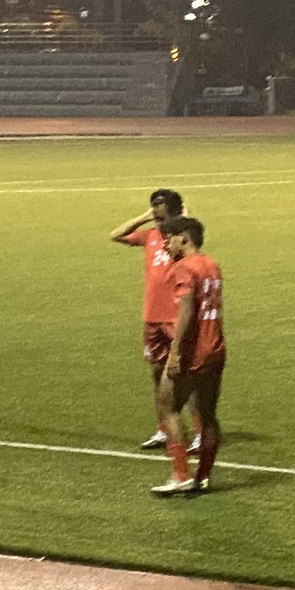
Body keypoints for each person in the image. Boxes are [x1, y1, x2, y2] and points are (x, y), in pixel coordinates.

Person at [109, 188, 201, 452]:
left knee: (187, 375)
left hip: (175, 318)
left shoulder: (180, 242)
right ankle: (164, 429)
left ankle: (198, 431)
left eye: (162, 214)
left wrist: (183, 218)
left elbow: (192, 237)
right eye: (155, 214)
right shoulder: (149, 236)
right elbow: (116, 235)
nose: (159, 221)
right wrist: (145, 217)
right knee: (157, 374)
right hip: (152, 317)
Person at [151, 217, 225, 497]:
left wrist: (176, 351)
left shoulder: (184, 268)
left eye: (170, 238)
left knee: (168, 407)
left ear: (184, 238)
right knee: (207, 416)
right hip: (215, 348)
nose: (166, 243)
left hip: (193, 351)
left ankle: (180, 474)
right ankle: (203, 477)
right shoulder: (212, 265)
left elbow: (186, 311)